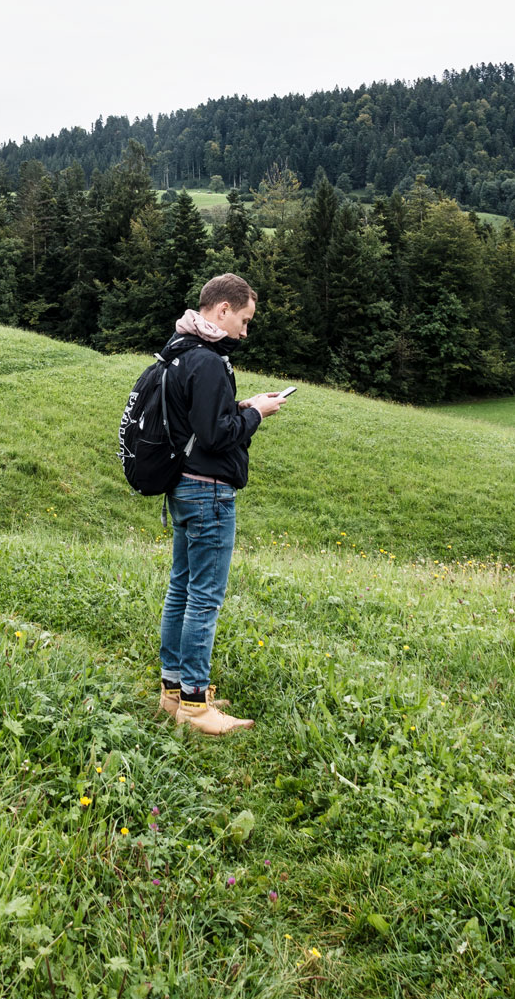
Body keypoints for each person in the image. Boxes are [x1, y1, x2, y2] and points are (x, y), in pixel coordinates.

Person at [157, 272, 286, 736]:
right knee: (204, 598)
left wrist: (242, 403)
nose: (246, 332)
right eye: (245, 320)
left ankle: (173, 691)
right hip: (210, 491)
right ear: (223, 309)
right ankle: (195, 703)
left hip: (183, 487)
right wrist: (256, 413)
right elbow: (216, 435)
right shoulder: (209, 361)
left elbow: (200, 420)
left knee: (182, 588)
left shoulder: (179, 349)